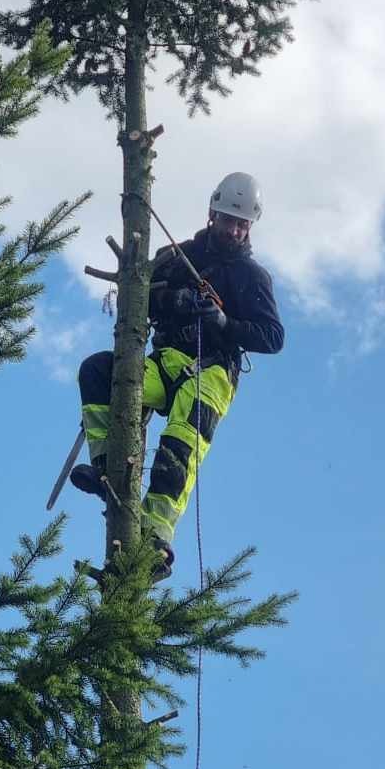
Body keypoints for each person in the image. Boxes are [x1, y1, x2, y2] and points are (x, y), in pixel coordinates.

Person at [70, 171, 284, 573]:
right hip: (165, 360)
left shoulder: (252, 278)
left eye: (242, 224)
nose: (234, 230)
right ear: (212, 213)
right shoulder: (178, 257)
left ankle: (155, 538)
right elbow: (138, 296)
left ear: (250, 226)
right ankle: (106, 469)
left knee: (178, 449)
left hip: (212, 371)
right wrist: (172, 296)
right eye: (228, 220)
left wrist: (224, 323)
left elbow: (272, 336)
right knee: (98, 371)